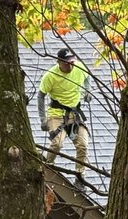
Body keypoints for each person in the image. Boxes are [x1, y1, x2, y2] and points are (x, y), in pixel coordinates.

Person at [38, 47, 91, 182]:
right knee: (57, 143)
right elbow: (41, 96)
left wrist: (87, 92)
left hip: (74, 114)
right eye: (67, 63)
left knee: (83, 145)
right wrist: (43, 119)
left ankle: (80, 175)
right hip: (56, 114)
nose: (70, 66)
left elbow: (87, 76)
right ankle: (47, 167)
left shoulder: (79, 68)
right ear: (59, 62)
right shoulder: (50, 76)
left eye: (72, 62)